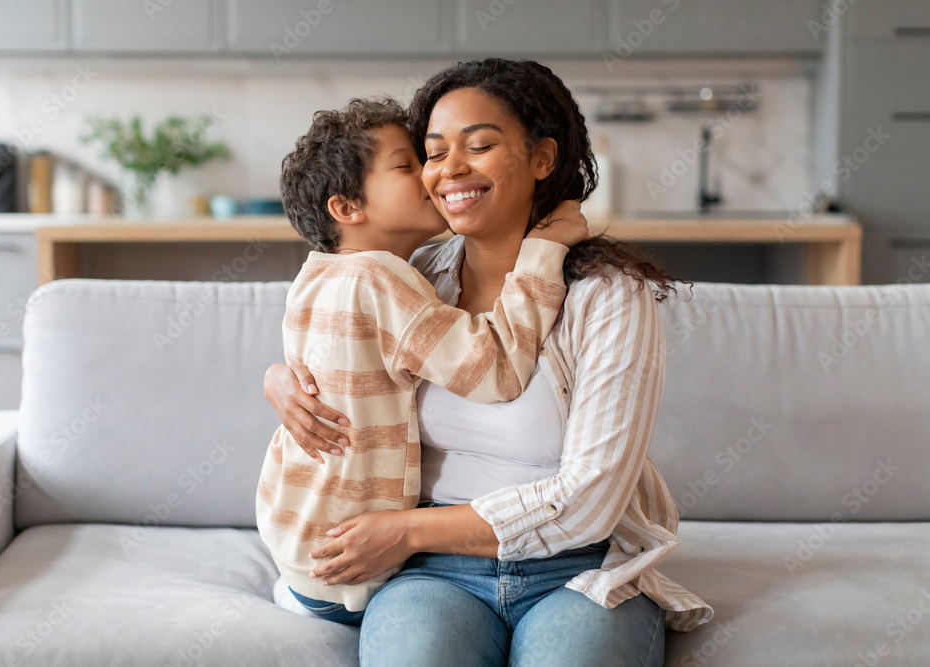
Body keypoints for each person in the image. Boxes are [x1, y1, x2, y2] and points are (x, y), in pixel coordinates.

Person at [265, 59, 715, 666]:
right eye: (430, 153)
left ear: (542, 159)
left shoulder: (608, 295)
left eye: (479, 145)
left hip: (575, 570)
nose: (449, 169)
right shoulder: (413, 276)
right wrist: (280, 379)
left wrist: (404, 532)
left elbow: (590, 500)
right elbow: (339, 338)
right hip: (431, 576)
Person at [257, 96, 590, 626]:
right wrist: (543, 251)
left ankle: (294, 594)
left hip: (299, 537)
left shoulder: (316, 276)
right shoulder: (382, 280)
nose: (432, 176)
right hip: (352, 567)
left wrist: (276, 376)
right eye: (407, 166)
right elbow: (494, 369)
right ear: (347, 208)